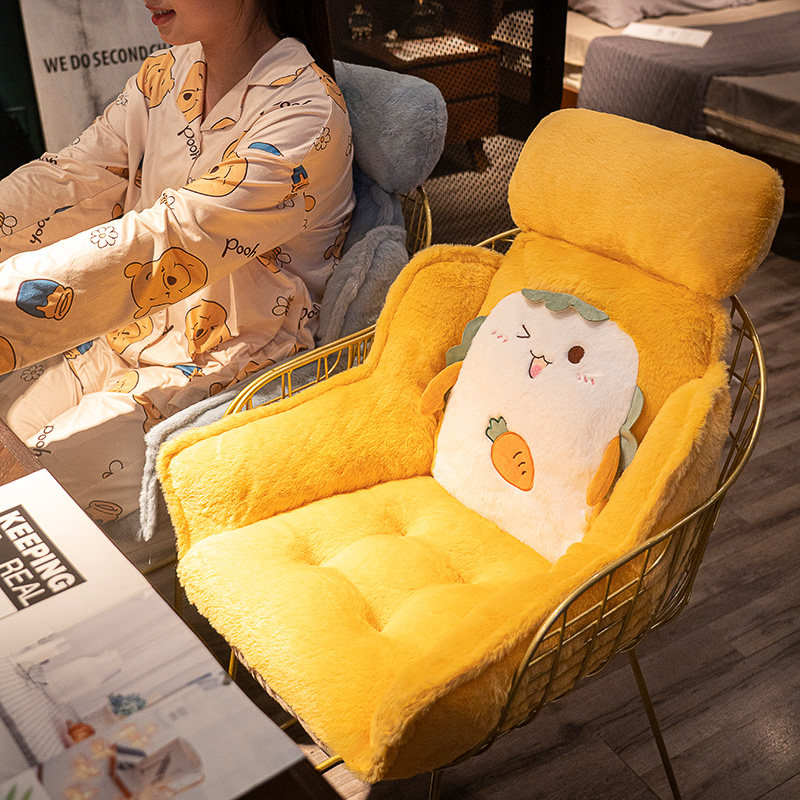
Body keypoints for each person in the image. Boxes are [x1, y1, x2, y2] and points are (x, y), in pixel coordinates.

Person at [0, 0, 354, 522]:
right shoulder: (165, 73)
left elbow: (171, 237)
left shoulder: (306, 116)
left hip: (229, 366)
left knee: (30, 499)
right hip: (122, 340)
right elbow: (73, 177)